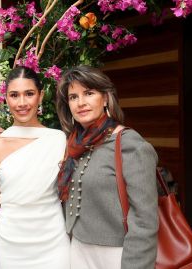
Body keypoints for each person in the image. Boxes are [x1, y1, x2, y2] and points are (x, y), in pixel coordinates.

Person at [56, 65, 158, 269]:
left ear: (105, 98)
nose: (80, 103)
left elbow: (145, 221)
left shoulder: (130, 144)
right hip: (77, 250)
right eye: (73, 97)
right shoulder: (74, 143)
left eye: (89, 93)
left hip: (117, 255)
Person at [0, 66, 70, 269]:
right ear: (6, 98)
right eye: (14, 95)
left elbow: (68, 192)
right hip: (10, 246)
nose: (22, 103)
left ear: (40, 96)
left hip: (53, 243)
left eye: (29, 94)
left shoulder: (59, 139)